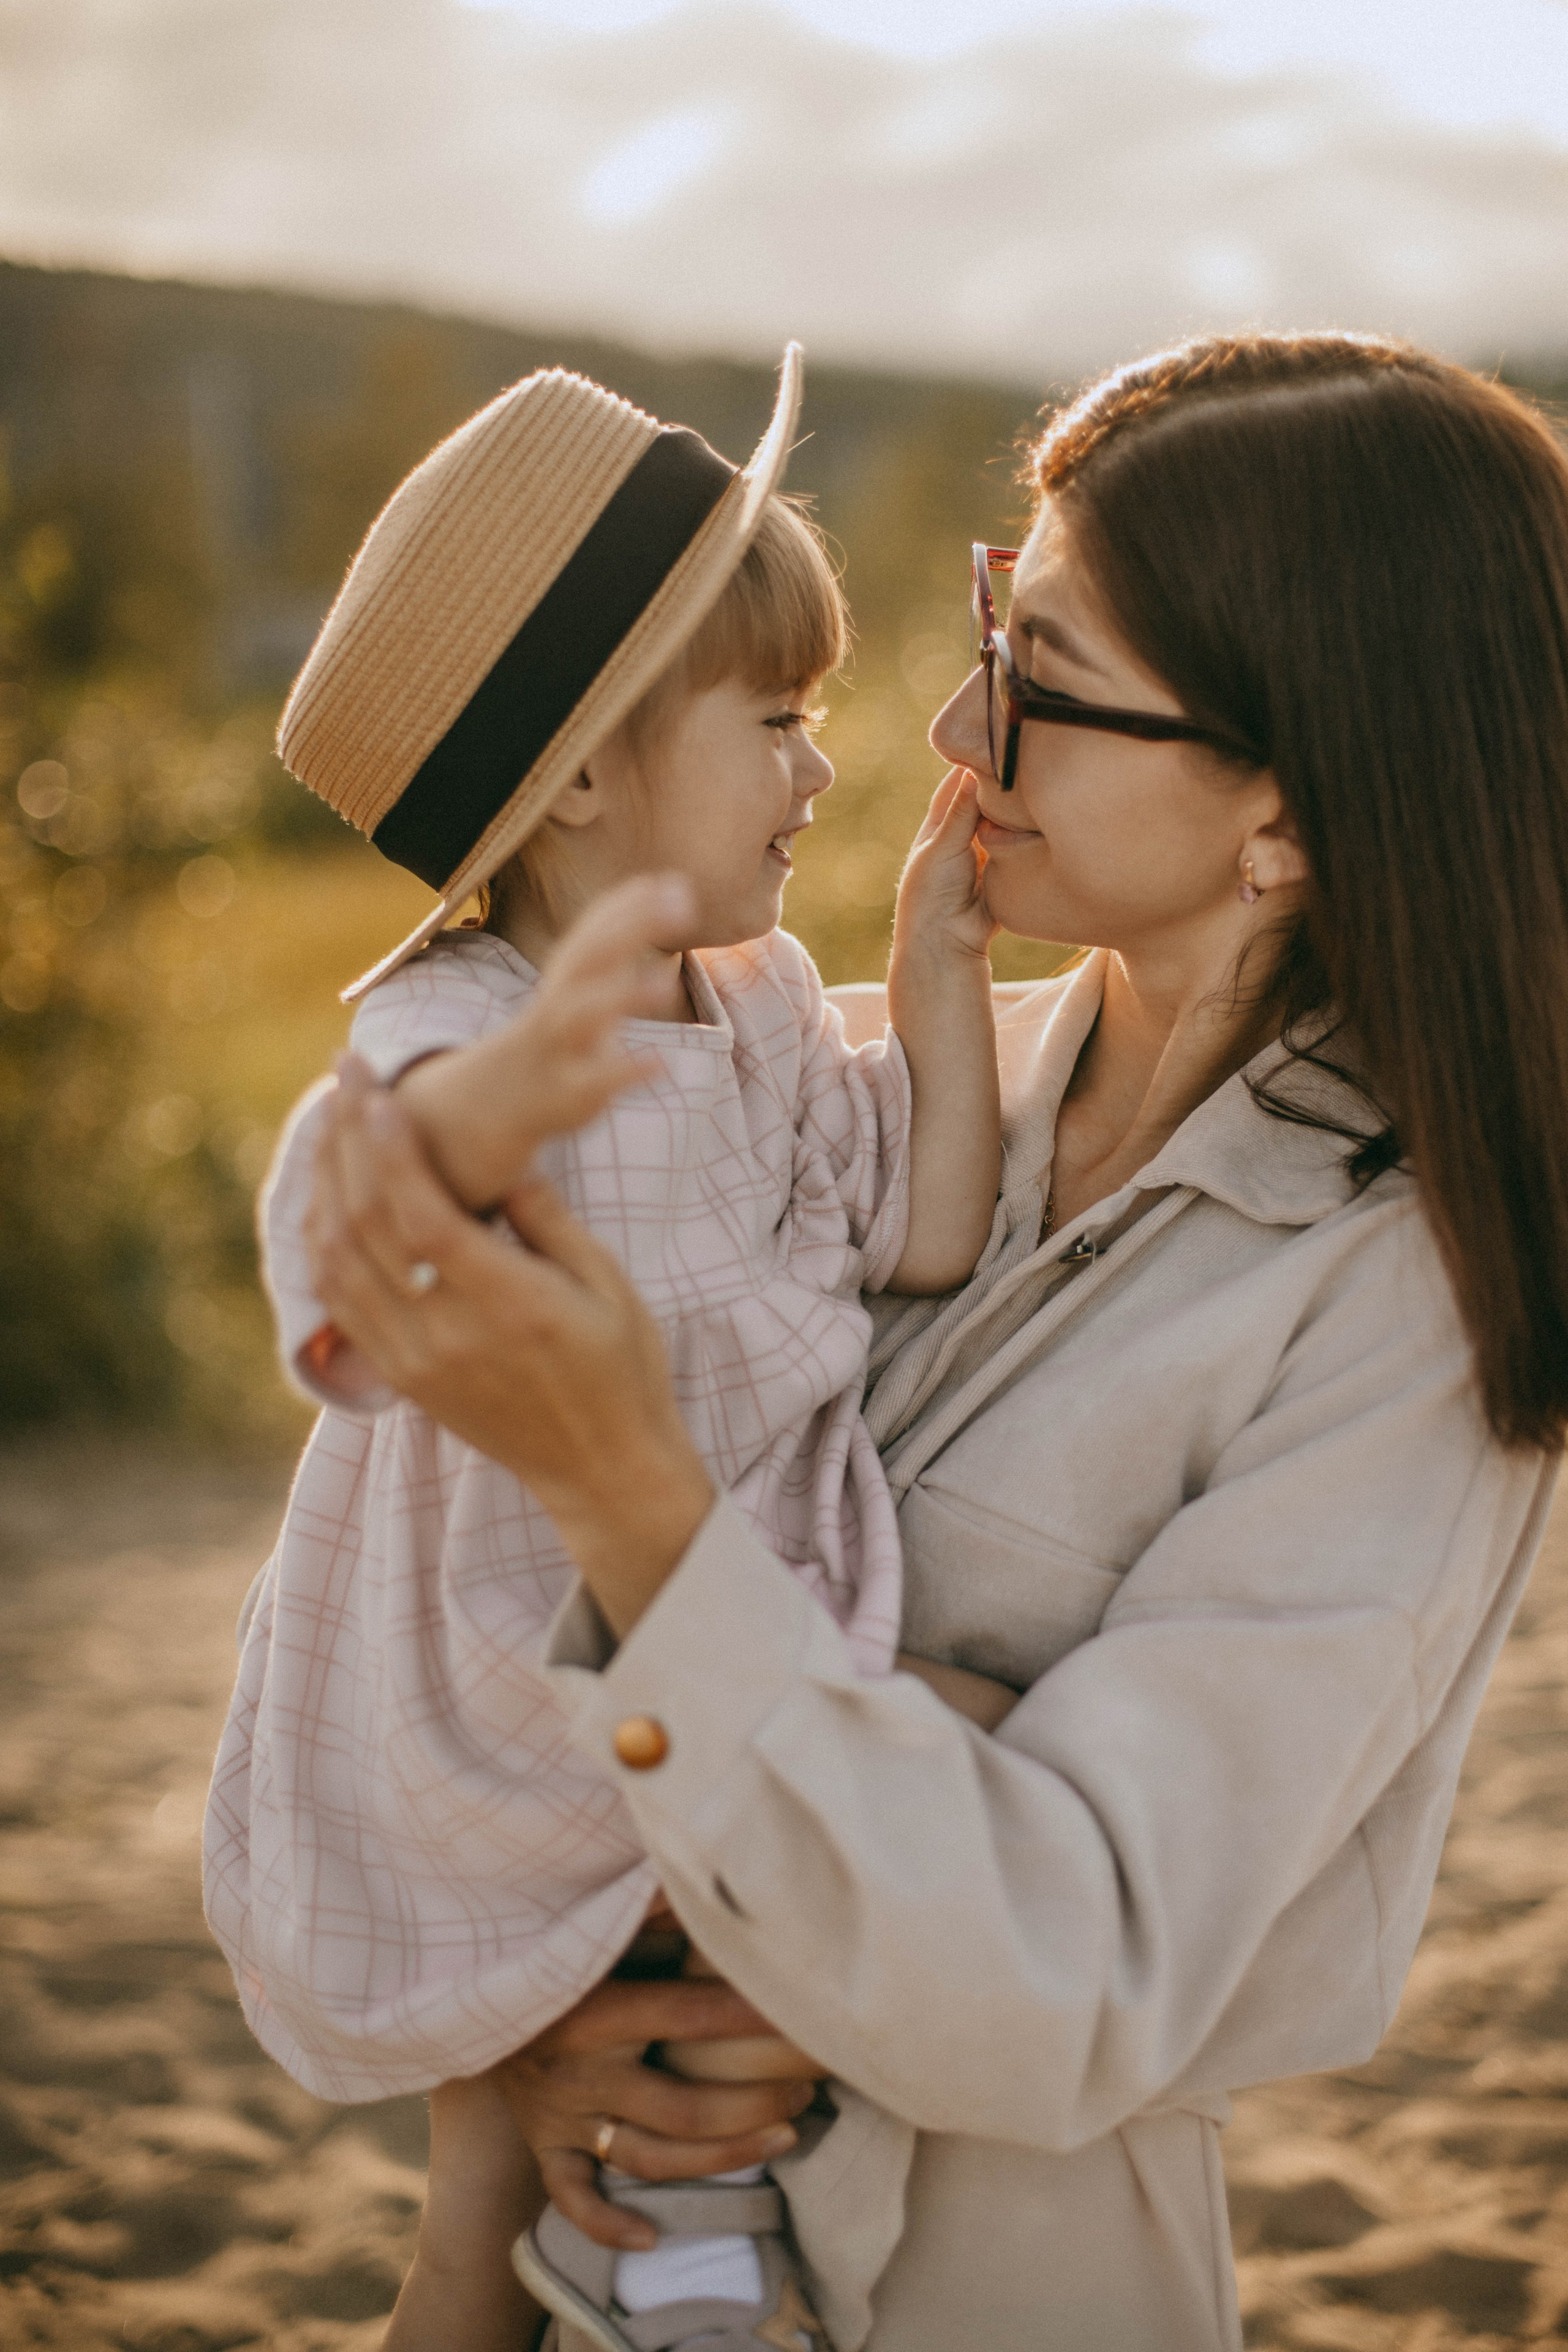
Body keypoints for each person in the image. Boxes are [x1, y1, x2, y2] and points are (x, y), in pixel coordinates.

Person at [295, 331, 1568, 2352]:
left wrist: (632, 1501)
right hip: (592, 2246)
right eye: (997, 626)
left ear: (1293, 811)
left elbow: (1075, 1965)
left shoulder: (1400, 1312)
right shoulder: (823, 1097)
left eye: (1044, 678)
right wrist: (529, 2025)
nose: (960, 727)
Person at [203, 352, 1011, 2352]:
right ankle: (686, 2256)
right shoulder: (465, 1026)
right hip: (528, 1667)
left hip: (701, 1620)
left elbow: (920, 1233)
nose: (822, 772)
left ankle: (666, 2238)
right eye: (778, 723)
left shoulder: (761, 1001)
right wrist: (483, 1124)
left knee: (544, 2138)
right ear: (578, 779)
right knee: (528, 2165)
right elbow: (345, 1221)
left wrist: (933, 972)